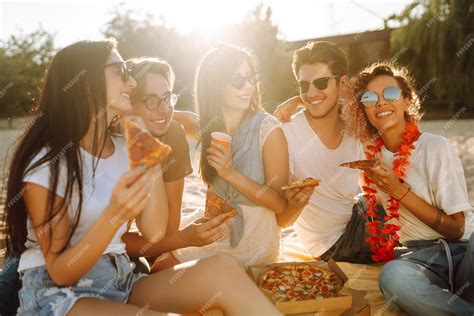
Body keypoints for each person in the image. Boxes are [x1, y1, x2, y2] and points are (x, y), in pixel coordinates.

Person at [3, 39, 282, 315]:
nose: (132, 83)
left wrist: (147, 156)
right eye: (120, 72)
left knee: (223, 269)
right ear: (87, 86)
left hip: (123, 280)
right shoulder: (48, 164)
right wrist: (115, 212)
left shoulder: (129, 146)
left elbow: (155, 230)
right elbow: (62, 271)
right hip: (60, 294)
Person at [153, 44, 313, 269]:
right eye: (238, 81)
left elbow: (278, 206)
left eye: (251, 78)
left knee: (160, 268)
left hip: (252, 238)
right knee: (155, 252)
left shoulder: (268, 129)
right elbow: (162, 116)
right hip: (217, 222)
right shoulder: (209, 127)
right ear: (215, 86)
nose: (248, 87)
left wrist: (230, 173)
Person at [342, 61, 474, 314]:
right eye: (369, 98)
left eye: (390, 94)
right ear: (363, 110)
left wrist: (397, 190)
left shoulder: (435, 146)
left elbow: (457, 229)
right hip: (419, 259)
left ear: (406, 100)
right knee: (392, 277)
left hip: (464, 253)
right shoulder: (368, 157)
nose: (380, 103)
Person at [275, 41, 385, 263]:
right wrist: (295, 205)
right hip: (333, 247)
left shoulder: (357, 125)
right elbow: (279, 220)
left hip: (360, 220)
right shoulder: (285, 133)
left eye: (321, 83)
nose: (311, 93)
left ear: (343, 83)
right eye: (303, 86)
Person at [123, 57, 234, 273]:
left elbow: (167, 231)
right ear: (127, 102)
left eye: (167, 98)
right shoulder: (107, 145)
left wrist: (181, 241)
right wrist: (184, 239)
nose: (165, 110)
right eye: (152, 101)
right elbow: (103, 241)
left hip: (131, 251)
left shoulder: (171, 134)